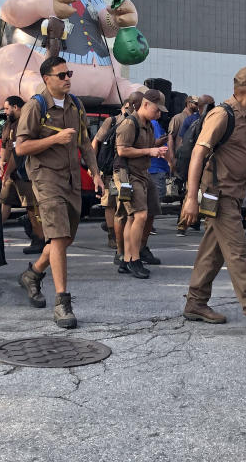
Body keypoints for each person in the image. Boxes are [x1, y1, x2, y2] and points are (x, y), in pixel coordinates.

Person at [181, 67, 246, 333]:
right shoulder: (222, 115)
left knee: (213, 253)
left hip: (234, 193)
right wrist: (191, 198)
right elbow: (197, 154)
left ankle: (195, 302)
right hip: (218, 195)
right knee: (238, 253)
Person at [15, 57, 104, 329]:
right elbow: (21, 148)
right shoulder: (35, 106)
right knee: (59, 236)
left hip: (71, 180)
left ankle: (33, 274)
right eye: (61, 74)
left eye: (69, 73)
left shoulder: (76, 105)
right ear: (47, 79)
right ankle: (62, 302)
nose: (67, 78)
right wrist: (54, 138)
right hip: (46, 179)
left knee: (63, 240)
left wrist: (96, 173)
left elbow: (85, 143)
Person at [114, 90, 169, 278]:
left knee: (134, 217)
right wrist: (150, 151)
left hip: (142, 173)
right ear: (145, 105)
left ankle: (127, 259)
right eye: (157, 109)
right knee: (140, 215)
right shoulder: (130, 123)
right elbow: (122, 150)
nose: (159, 114)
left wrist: (155, 148)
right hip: (128, 174)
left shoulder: (149, 125)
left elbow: (142, 146)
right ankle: (134, 259)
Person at [93, 92, 143, 260]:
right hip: (110, 169)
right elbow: (96, 141)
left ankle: (124, 241)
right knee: (110, 204)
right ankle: (112, 237)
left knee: (121, 207)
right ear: (129, 105)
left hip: (126, 170)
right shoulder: (112, 121)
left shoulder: (138, 122)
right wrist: (95, 168)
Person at [0, 95, 43, 255]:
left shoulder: (24, 122)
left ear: (16, 107)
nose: (5, 112)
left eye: (6, 108)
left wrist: (7, 172)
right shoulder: (9, 123)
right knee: (4, 200)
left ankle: (39, 239)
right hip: (13, 172)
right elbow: (6, 146)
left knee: (31, 207)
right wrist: (2, 163)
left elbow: (17, 153)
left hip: (23, 171)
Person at [176, 94, 215, 235]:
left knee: (189, 195)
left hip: (191, 163)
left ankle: (182, 225)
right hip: (207, 164)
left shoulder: (190, 120)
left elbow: (182, 143)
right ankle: (209, 226)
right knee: (209, 194)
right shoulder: (213, 121)